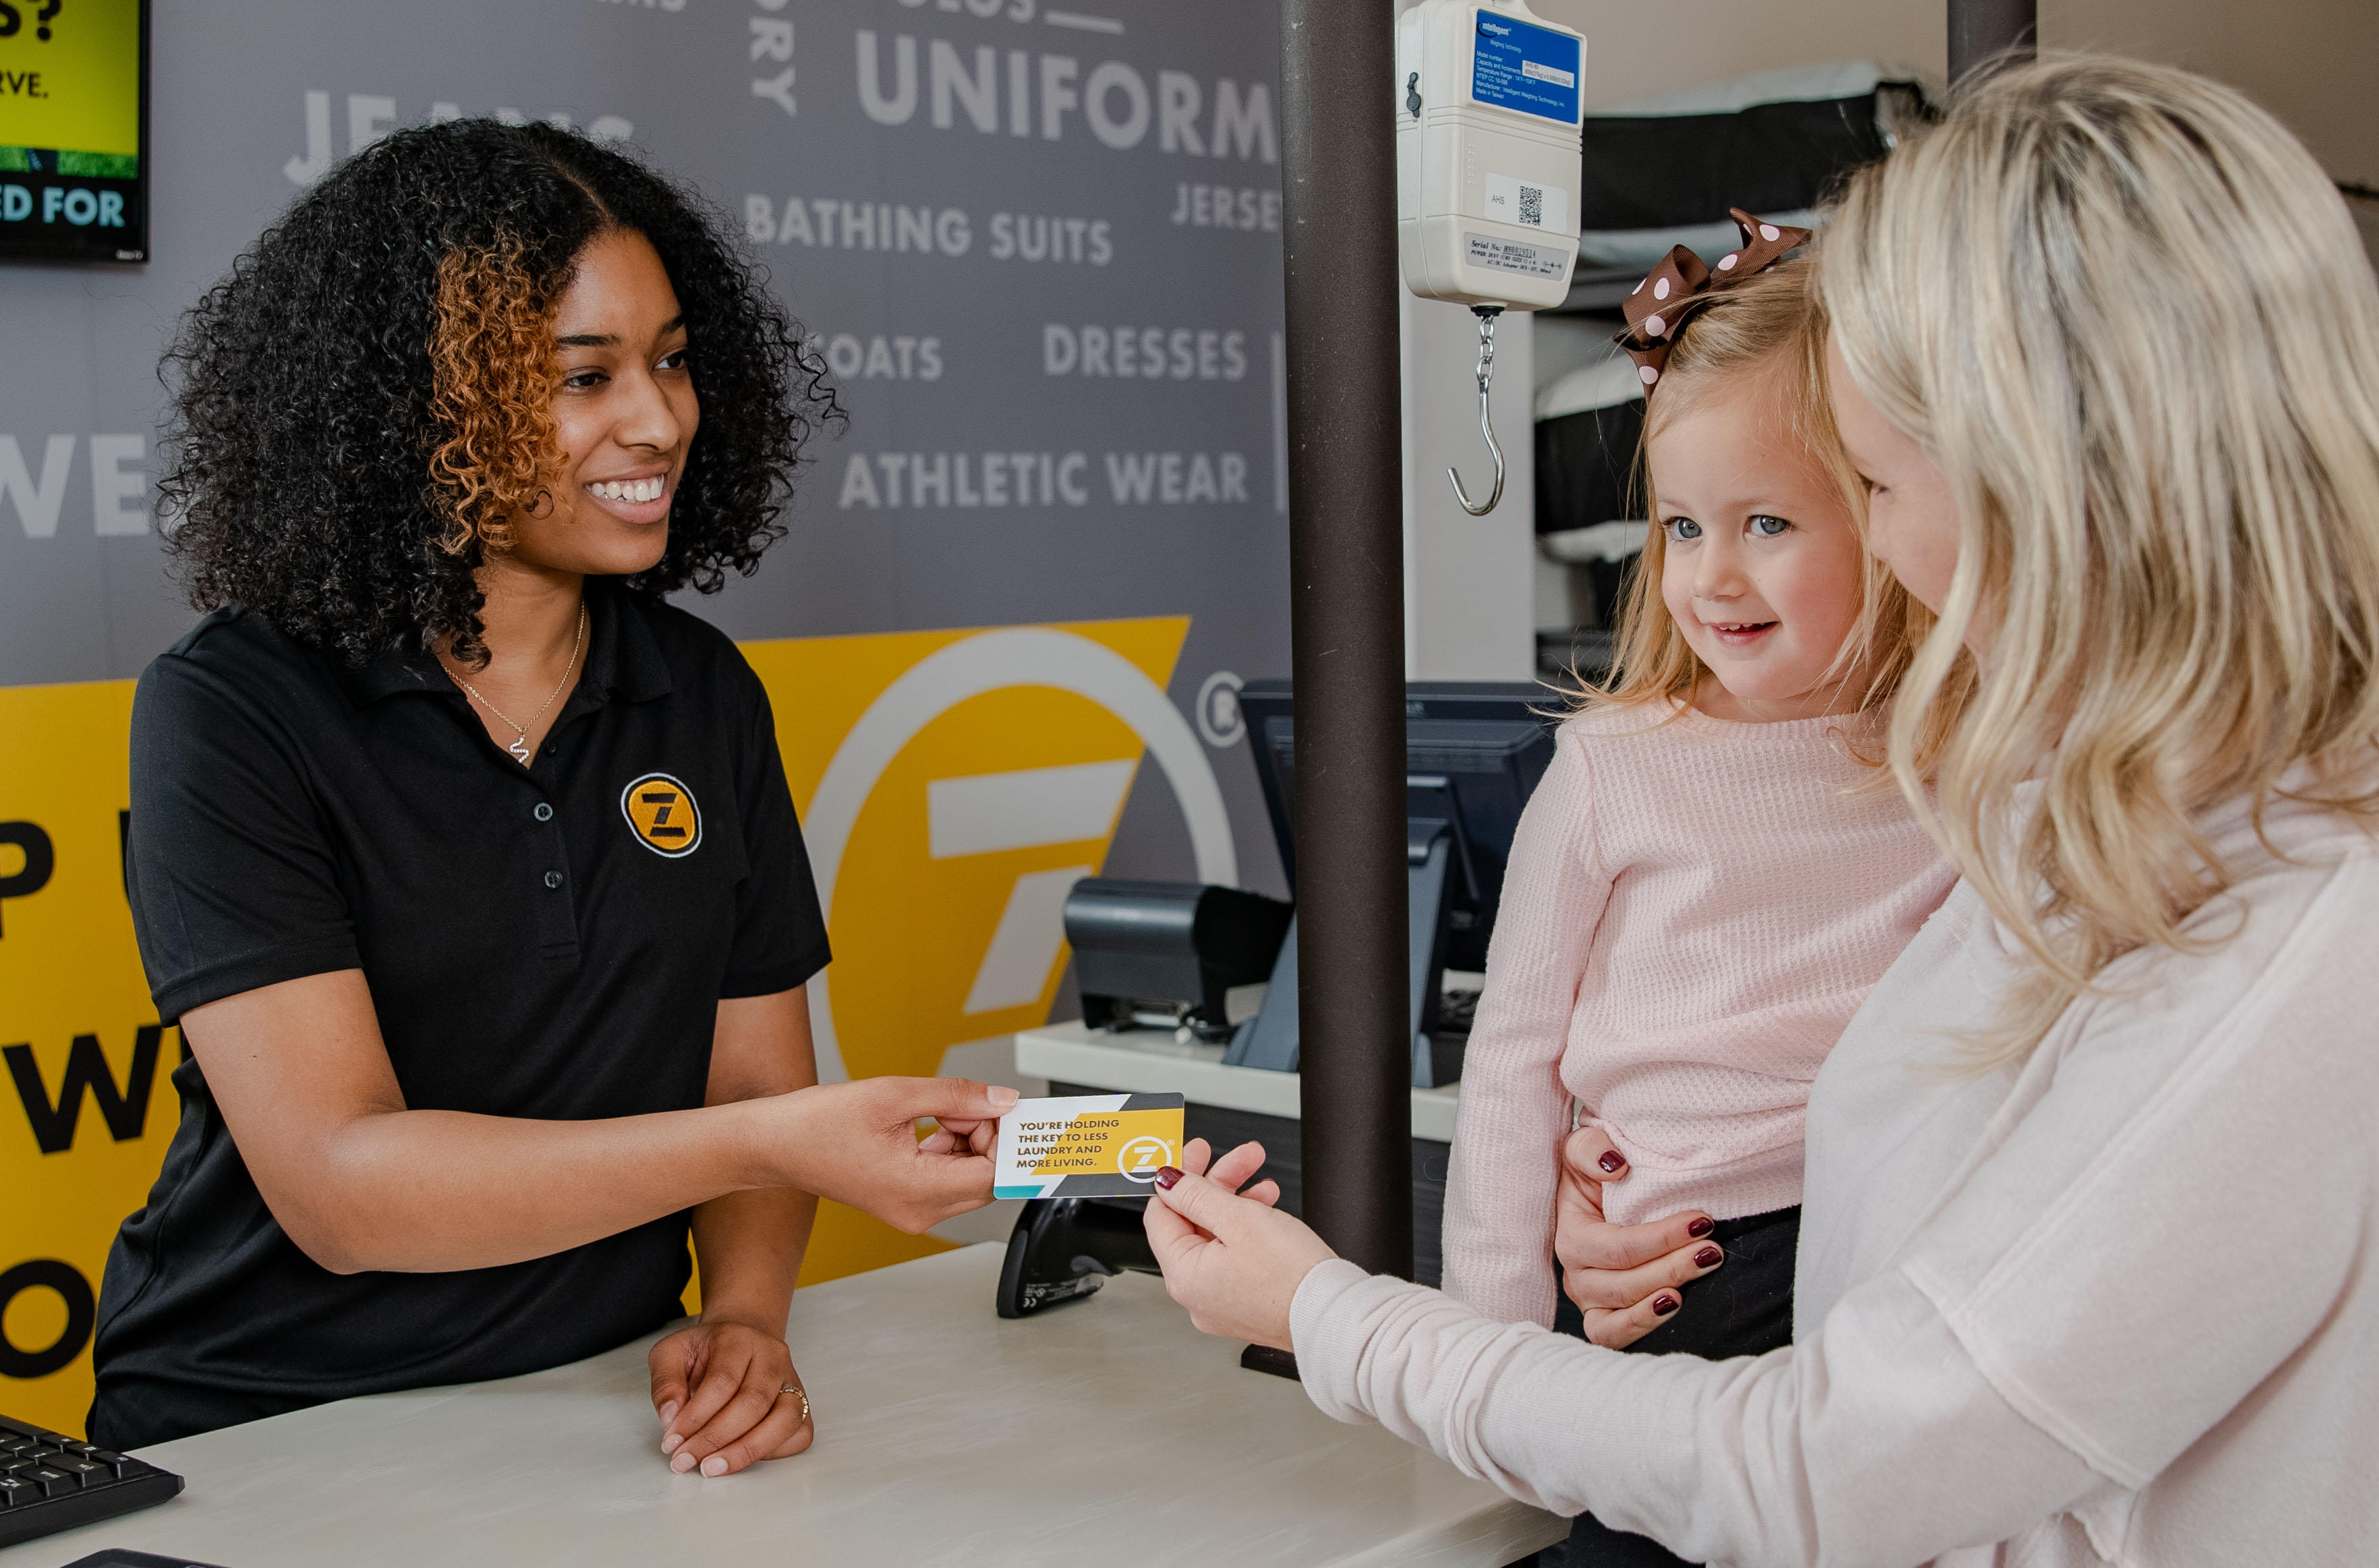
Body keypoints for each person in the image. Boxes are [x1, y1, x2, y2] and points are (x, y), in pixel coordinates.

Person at [1143, 56, 2379, 1566]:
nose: (1893, 555)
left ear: (2032, 484)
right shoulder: (2089, 804)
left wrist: (1333, 1313)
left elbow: (1839, 1464)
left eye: (1869, 485)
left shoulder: (2293, 923)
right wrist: (1614, 1202)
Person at [92, 120, 1011, 1473]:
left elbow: (753, 1069)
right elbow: (344, 1184)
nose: (658, 419)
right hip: (260, 1434)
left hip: (599, 1416)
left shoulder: (700, 691)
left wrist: (749, 1312)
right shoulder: (233, 707)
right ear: (414, 407)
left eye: (673, 360)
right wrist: (780, 1140)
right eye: (585, 376)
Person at [1446, 242, 1957, 1565]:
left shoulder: (1959, 759)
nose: (1713, 575)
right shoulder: (1614, 765)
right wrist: (1487, 1357)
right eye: (1683, 525)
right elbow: (1514, 1062)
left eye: (1769, 524)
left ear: (1890, 517)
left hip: (1877, 1263)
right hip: (1670, 1265)